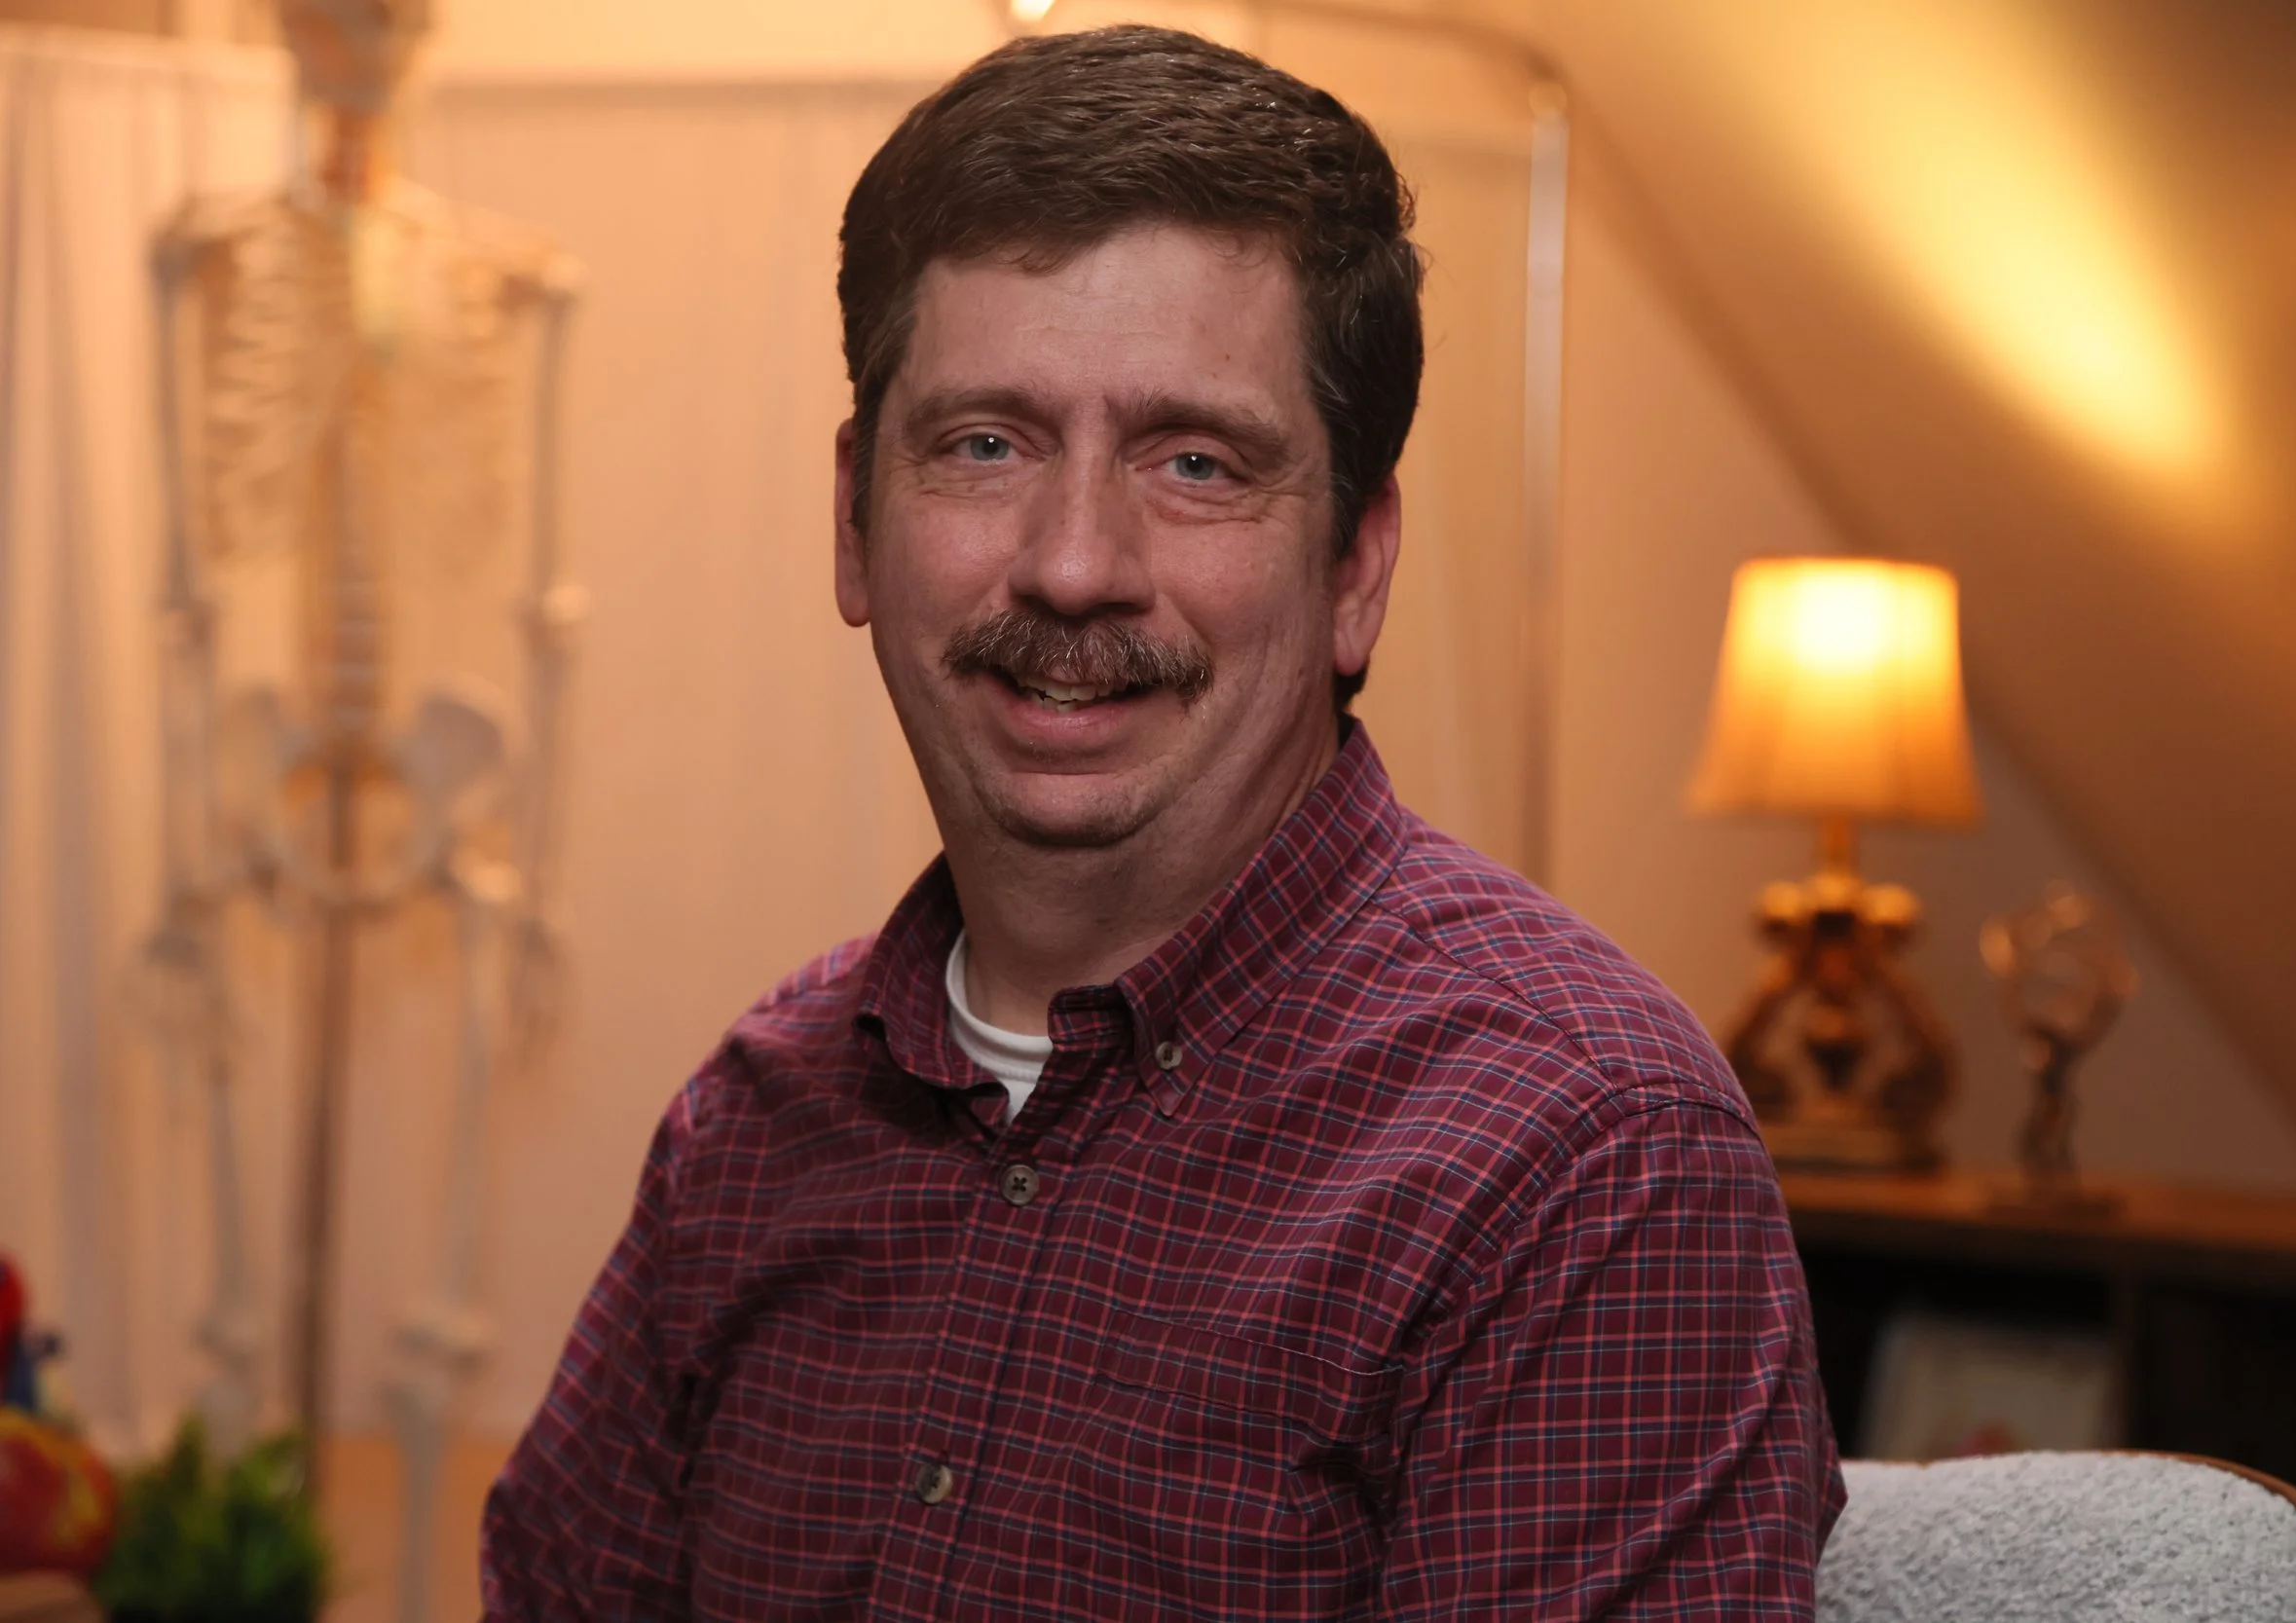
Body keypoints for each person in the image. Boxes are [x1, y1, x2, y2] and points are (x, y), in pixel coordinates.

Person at [482, 24, 1842, 1619]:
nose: (1074, 563)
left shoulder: (1580, 1167)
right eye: (986, 444)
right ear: (855, 520)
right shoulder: (749, 1142)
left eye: (1196, 463)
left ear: (1355, 567)